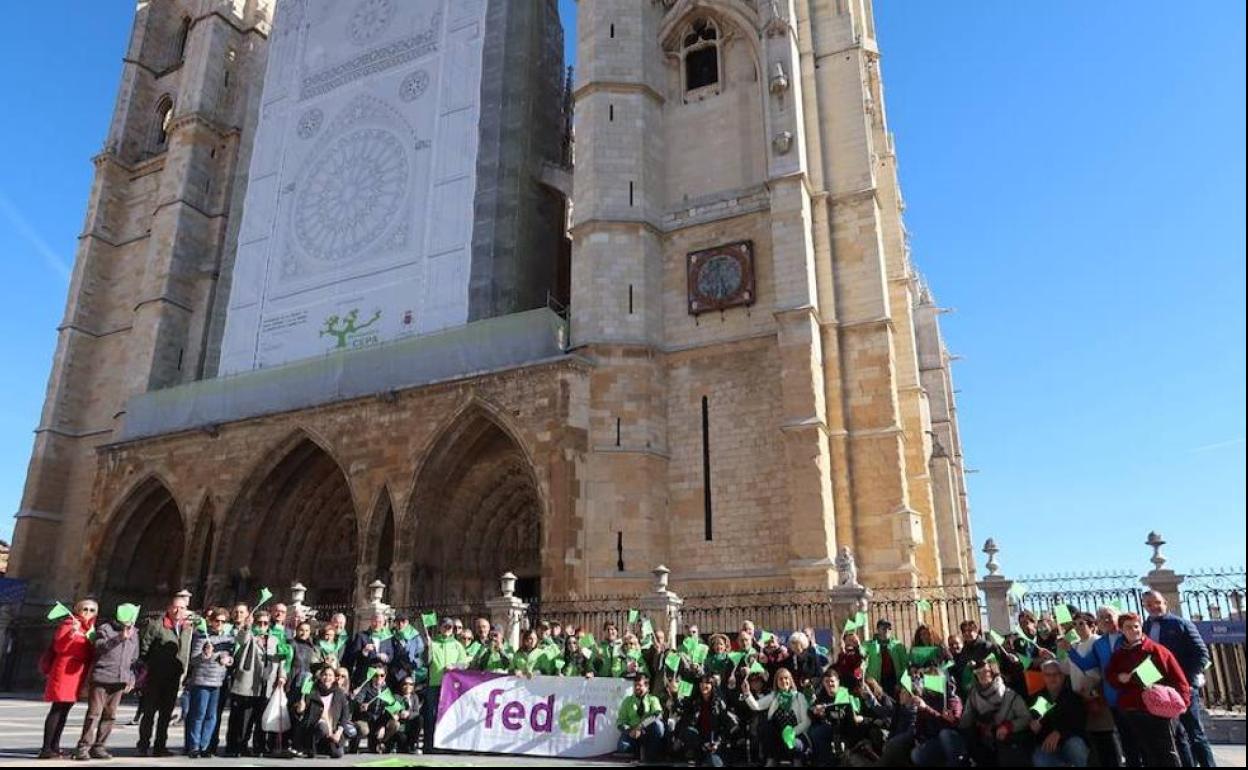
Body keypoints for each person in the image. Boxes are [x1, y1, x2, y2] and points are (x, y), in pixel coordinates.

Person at [1106, 612, 1190, 768]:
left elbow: (1178, 678)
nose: (1133, 630)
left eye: (1136, 626)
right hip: (1133, 709)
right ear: (1121, 630)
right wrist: (1119, 678)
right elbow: (1110, 676)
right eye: (1128, 627)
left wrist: (1183, 704)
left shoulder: (1157, 650)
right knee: (1145, 753)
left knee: (1166, 753)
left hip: (1159, 710)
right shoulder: (1118, 655)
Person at [1142, 591, 1215, 768]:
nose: (1154, 607)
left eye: (1157, 602)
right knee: (1177, 735)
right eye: (1149, 604)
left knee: (1194, 733)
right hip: (1161, 691)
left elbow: (1201, 654)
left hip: (1183, 689)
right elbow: (1145, 658)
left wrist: (1187, 682)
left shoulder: (1181, 624)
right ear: (1144, 607)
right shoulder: (1145, 627)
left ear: (1165, 602)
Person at [73, 603, 139, 760]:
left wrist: (131, 678)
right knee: (94, 713)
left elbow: (134, 658)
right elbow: (99, 647)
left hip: (120, 679)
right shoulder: (105, 629)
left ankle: (99, 746)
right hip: (103, 677)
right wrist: (119, 638)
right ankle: (83, 747)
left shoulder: (134, 632)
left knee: (110, 715)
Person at [136, 590, 193, 757]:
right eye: (175, 607)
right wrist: (148, 667)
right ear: (169, 608)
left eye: (182, 608)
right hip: (155, 675)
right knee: (149, 713)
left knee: (166, 714)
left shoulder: (187, 628)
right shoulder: (156, 624)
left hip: (174, 676)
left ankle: (160, 746)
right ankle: (143, 744)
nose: (178, 611)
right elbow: (144, 647)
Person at [40, 599, 98, 760]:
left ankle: (54, 746)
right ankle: (46, 748)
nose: (88, 612)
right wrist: (72, 633)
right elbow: (59, 647)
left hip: (78, 672)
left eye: (92, 610)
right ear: (77, 610)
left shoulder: (90, 628)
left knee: (65, 710)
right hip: (64, 671)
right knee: (57, 708)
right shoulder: (69, 624)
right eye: (84, 609)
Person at [1064, 611, 1123, 767]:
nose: (1077, 627)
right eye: (1075, 624)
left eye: (1082, 624)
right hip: (1082, 699)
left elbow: (1100, 670)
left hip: (1098, 697)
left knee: (1107, 737)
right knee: (1096, 741)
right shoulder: (1075, 645)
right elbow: (1073, 667)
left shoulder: (1097, 642)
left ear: (1093, 626)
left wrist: (1095, 691)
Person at [225, 610, 285, 757]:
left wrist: (282, 675)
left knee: (261, 718)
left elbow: (281, 659)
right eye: (260, 623)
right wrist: (247, 626)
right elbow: (241, 639)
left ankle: (259, 746)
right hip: (249, 682)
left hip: (267, 684)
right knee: (245, 718)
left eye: (265, 623)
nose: (262, 626)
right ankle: (240, 745)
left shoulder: (274, 640)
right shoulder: (249, 636)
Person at [959, 658, 1032, 766]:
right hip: (984, 743)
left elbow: (1026, 718)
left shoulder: (1009, 695)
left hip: (1007, 743)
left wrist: (1008, 726)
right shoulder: (973, 696)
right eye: (978, 672)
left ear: (993, 672)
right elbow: (966, 721)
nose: (982, 675)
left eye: (986, 671)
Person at [184, 608, 234, 758]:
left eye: (223, 621)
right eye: (217, 621)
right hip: (202, 680)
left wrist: (228, 660)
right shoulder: (201, 637)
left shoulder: (227, 639)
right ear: (211, 621)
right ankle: (194, 746)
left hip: (217, 681)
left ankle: (205, 746)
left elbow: (231, 657)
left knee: (212, 716)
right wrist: (206, 654)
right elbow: (194, 659)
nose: (219, 624)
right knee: (198, 714)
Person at [738, 667, 812, 765]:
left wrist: (792, 732)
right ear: (776, 682)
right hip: (777, 737)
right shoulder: (774, 696)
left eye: (786, 678)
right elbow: (757, 706)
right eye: (780, 679)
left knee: (796, 746)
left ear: (790, 680)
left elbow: (806, 722)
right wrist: (747, 692)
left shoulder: (799, 697)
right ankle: (771, 760)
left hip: (795, 735)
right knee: (766, 726)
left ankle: (797, 762)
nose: (784, 681)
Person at [1030, 659, 1090, 767]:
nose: (1052, 678)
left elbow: (1079, 723)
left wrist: (1060, 732)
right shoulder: (1040, 698)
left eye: (1056, 674)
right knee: (1039, 759)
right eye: (1048, 675)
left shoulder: (1072, 697)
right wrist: (1034, 727)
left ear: (1062, 676)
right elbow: (1035, 721)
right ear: (1043, 677)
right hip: (1048, 746)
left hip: (1069, 743)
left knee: (1076, 745)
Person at [422, 617, 469, 752]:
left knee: (449, 716)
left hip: (451, 687)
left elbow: (464, 664)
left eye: (450, 627)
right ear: (440, 628)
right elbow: (426, 661)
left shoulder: (457, 645)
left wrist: (453, 666)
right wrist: (427, 647)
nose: (448, 629)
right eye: (445, 627)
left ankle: (448, 746)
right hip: (434, 684)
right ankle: (429, 746)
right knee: (431, 715)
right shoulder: (433, 643)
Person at [675, 673, 739, 767]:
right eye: (701, 682)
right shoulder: (695, 702)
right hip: (700, 741)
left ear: (712, 685)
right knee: (689, 731)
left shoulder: (719, 704)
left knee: (715, 763)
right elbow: (686, 718)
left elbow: (726, 727)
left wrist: (718, 742)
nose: (704, 685)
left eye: (707, 683)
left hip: (715, 741)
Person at [292, 665, 352, 759]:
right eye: (324, 675)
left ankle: (321, 747)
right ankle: (309, 747)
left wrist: (338, 732)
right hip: (314, 728)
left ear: (334, 678)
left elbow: (345, 715)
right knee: (322, 727)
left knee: (337, 753)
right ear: (320, 676)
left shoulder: (338, 693)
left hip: (332, 729)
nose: (327, 678)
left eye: (330, 675)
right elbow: (300, 713)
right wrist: (300, 709)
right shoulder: (312, 690)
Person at [807, 668, 862, 765]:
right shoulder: (822, 697)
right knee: (815, 731)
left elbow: (856, 713)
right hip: (831, 729)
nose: (829, 684)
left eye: (832, 681)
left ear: (838, 682)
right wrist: (816, 712)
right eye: (826, 682)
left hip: (848, 728)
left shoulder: (846, 694)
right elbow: (812, 710)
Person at [615, 674, 665, 762]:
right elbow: (620, 722)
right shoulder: (627, 701)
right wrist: (629, 730)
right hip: (633, 732)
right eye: (635, 685)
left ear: (647, 686)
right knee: (622, 746)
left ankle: (650, 757)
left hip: (648, 731)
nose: (637, 687)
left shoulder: (653, 699)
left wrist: (640, 726)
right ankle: (639, 752)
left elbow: (657, 715)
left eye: (640, 685)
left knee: (658, 726)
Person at [352, 666, 401, 753]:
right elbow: (359, 700)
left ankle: (381, 743)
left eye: (381, 675)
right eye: (376, 675)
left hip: (379, 721)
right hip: (366, 720)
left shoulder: (386, 691)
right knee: (363, 729)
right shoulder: (366, 687)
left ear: (385, 676)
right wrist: (361, 705)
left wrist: (392, 717)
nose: (379, 678)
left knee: (395, 724)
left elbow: (391, 706)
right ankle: (353, 747)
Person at [344, 612, 394, 687]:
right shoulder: (361, 636)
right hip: (364, 674)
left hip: (381, 676)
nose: (377, 624)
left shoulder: (387, 638)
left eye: (380, 622)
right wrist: (364, 652)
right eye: (375, 621)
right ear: (371, 621)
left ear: (383, 623)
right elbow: (352, 656)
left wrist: (386, 658)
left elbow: (391, 655)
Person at [865, 619, 908, 696]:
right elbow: (863, 663)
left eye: (889, 628)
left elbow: (904, 665)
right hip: (876, 682)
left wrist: (900, 683)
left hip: (894, 682)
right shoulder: (869, 645)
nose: (887, 630)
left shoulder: (898, 645)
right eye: (884, 628)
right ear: (878, 630)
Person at [390, 615, 427, 687]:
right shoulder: (391, 635)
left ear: (407, 623)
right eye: (398, 622)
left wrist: (413, 665)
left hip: (411, 670)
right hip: (396, 671)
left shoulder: (415, 636)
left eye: (403, 622)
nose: (400, 624)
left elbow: (420, 653)